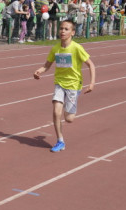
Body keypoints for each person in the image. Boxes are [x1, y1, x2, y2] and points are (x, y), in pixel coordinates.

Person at [33, 19, 96, 153]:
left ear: (72, 32)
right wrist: (39, 71)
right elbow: (47, 65)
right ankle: (60, 141)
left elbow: (91, 64)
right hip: (59, 83)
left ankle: (74, 99)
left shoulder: (77, 48)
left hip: (74, 84)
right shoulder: (55, 48)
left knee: (69, 119)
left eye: (66, 29)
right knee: (56, 112)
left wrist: (91, 83)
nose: (62, 31)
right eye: (61, 28)